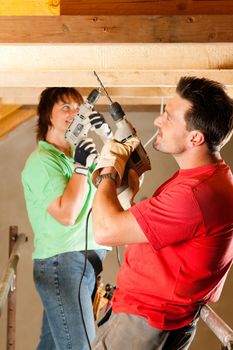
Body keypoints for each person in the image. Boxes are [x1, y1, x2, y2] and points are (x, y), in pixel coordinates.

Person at [91, 76, 233, 350]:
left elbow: (105, 231)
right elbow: (153, 232)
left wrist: (108, 167)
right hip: (146, 317)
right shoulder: (208, 178)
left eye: (168, 117)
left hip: (144, 323)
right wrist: (126, 192)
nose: (158, 121)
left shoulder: (195, 195)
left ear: (195, 137)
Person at [21, 87, 112, 350]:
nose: (74, 113)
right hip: (63, 266)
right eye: (65, 107)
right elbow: (67, 214)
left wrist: (109, 138)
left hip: (83, 267)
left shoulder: (78, 158)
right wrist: (81, 169)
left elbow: (125, 185)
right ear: (47, 115)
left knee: (52, 347)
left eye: (78, 108)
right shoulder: (42, 161)